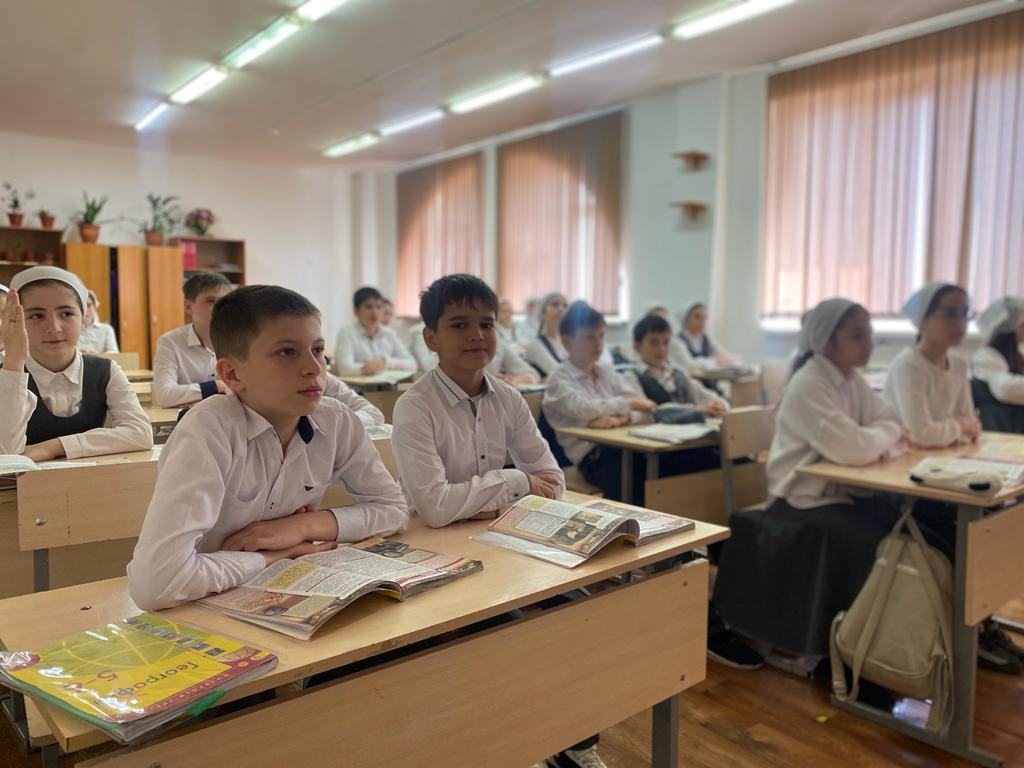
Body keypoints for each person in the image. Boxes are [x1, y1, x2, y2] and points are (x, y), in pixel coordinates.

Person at [127, 285, 409, 610]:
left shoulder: (336, 420)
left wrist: (302, 527)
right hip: (201, 602)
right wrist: (274, 556)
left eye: (318, 350)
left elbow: (394, 509)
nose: (314, 368)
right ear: (232, 373)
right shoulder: (208, 430)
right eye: (287, 352)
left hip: (287, 593)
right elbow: (156, 584)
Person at [713, 299, 909, 666]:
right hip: (799, 501)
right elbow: (856, 448)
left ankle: (882, 645)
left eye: (869, 333)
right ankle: (842, 655)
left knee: (912, 526)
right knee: (875, 542)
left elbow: (891, 422)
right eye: (857, 335)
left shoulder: (851, 379)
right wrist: (884, 438)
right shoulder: (810, 383)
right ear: (827, 341)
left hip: (840, 495)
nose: (868, 343)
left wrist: (878, 439)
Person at [392, 274, 563, 528]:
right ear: (431, 339)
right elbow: (435, 508)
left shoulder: (509, 398)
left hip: (492, 529)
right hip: (426, 536)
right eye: (459, 325)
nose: (477, 335)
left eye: (486, 324)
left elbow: (553, 482)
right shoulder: (414, 407)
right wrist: (517, 482)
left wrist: (494, 509)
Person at [0, 266, 152, 459]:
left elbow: (141, 433)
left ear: (83, 319)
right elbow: (6, 454)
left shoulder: (105, 371)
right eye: (37, 316)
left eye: (66, 314)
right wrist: (14, 360)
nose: (54, 328)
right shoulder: (7, 373)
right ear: (17, 321)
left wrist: (53, 447)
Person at [542, 301, 656, 500]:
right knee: (629, 471)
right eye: (589, 337)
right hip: (591, 458)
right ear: (567, 342)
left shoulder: (606, 372)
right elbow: (585, 408)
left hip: (627, 446)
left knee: (668, 464)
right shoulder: (558, 380)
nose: (598, 343)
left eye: (601, 336)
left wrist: (620, 419)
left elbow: (646, 406)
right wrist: (628, 405)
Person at [883, 283, 980, 447]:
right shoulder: (909, 366)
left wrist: (957, 429)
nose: (960, 322)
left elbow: (972, 425)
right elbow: (920, 435)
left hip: (946, 454)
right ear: (922, 321)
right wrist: (960, 427)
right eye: (950, 313)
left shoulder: (959, 364)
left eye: (964, 313)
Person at [153, 272, 233, 408]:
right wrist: (217, 385)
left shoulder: (241, 339)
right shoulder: (170, 342)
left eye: (225, 301)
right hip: (188, 419)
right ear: (188, 307)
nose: (221, 308)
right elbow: (165, 396)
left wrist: (190, 395)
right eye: (211, 301)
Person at [333, 287, 416, 376]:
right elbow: (344, 369)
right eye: (368, 307)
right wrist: (371, 367)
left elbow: (412, 365)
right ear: (356, 311)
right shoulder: (346, 333)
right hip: (356, 384)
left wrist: (384, 362)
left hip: (387, 384)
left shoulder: (389, 333)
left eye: (378, 307)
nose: (374, 312)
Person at [972, 297, 1024, 411]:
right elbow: (1005, 389)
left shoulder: (1019, 352)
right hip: (1002, 420)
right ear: (1010, 326)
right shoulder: (986, 357)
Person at [672, 301, 737, 374]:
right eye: (697, 317)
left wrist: (729, 359)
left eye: (704, 317)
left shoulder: (706, 338)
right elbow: (688, 365)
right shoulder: (676, 341)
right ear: (685, 320)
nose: (702, 321)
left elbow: (723, 355)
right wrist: (715, 361)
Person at [525, 292, 569, 377]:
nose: (561, 309)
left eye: (565, 306)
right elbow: (561, 375)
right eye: (555, 304)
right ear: (542, 314)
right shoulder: (535, 345)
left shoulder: (569, 343)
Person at [77, 289, 119, 354]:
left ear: (95, 308)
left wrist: (97, 355)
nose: (85, 310)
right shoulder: (69, 329)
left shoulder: (106, 329)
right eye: (81, 306)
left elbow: (114, 353)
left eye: (88, 305)